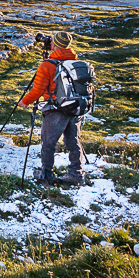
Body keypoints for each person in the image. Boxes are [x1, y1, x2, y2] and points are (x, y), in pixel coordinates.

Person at [18, 31, 86, 185]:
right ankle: (76, 175)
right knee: (74, 142)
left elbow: (38, 90)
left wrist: (25, 101)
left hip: (56, 109)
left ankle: (46, 176)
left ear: (54, 44)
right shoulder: (77, 63)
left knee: (48, 143)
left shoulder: (47, 65)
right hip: (76, 107)